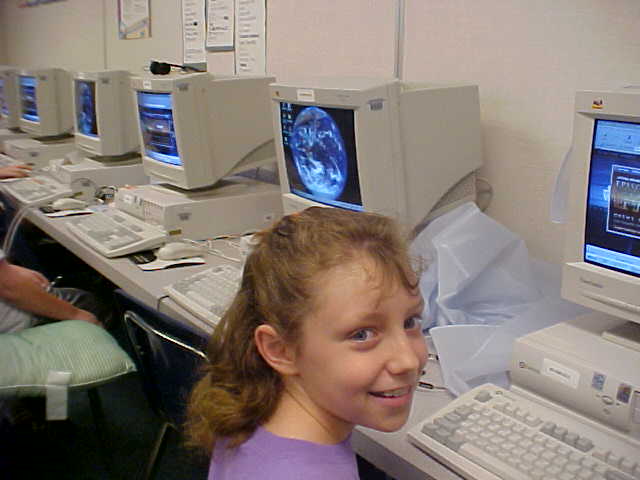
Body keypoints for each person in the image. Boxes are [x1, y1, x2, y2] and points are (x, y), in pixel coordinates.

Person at [186, 207, 428, 479]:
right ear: (280, 350)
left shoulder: (254, 408)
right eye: (362, 334)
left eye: (410, 322)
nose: (408, 361)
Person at [0, 247, 102, 333]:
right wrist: (76, 314)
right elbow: (9, 288)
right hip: (15, 327)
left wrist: (7, 269)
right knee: (89, 303)